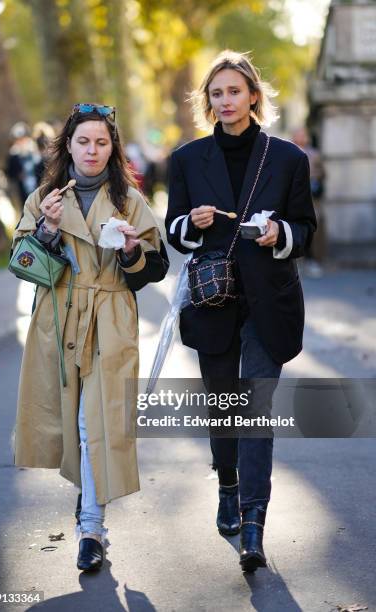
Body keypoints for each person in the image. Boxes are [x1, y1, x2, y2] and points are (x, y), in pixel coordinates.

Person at [165, 50, 316, 573]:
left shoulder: (289, 159)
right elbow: (173, 232)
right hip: (214, 302)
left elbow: (307, 232)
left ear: (254, 96)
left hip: (269, 304)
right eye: (216, 93)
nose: (225, 100)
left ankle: (254, 521)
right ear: (207, 101)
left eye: (234, 91)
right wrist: (194, 221)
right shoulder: (185, 160)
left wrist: (281, 234)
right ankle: (227, 485)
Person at [11, 103, 169, 572]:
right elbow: (22, 265)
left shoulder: (130, 202)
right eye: (84, 141)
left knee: (94, 422)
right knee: (68, 422)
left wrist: (132, 250)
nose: (92, 150)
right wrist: (47, 230)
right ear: (69, 146)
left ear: (112, 148)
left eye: (102, 142)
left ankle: (91, 528)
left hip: (111, 317)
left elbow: (155, 270)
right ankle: (87, 507)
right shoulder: (44, 199)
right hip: (58, 320)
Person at [292, 126, 326, 278]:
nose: (301, 137)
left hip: (312, 197)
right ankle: (297, 262)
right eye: (298, 134)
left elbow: (323, 173)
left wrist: (316, 181)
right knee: (294, 226)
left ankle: (313, 261)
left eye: (303, 134)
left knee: (314, 227)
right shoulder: (288, 151)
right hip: (293, 196)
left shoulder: (315, 154)